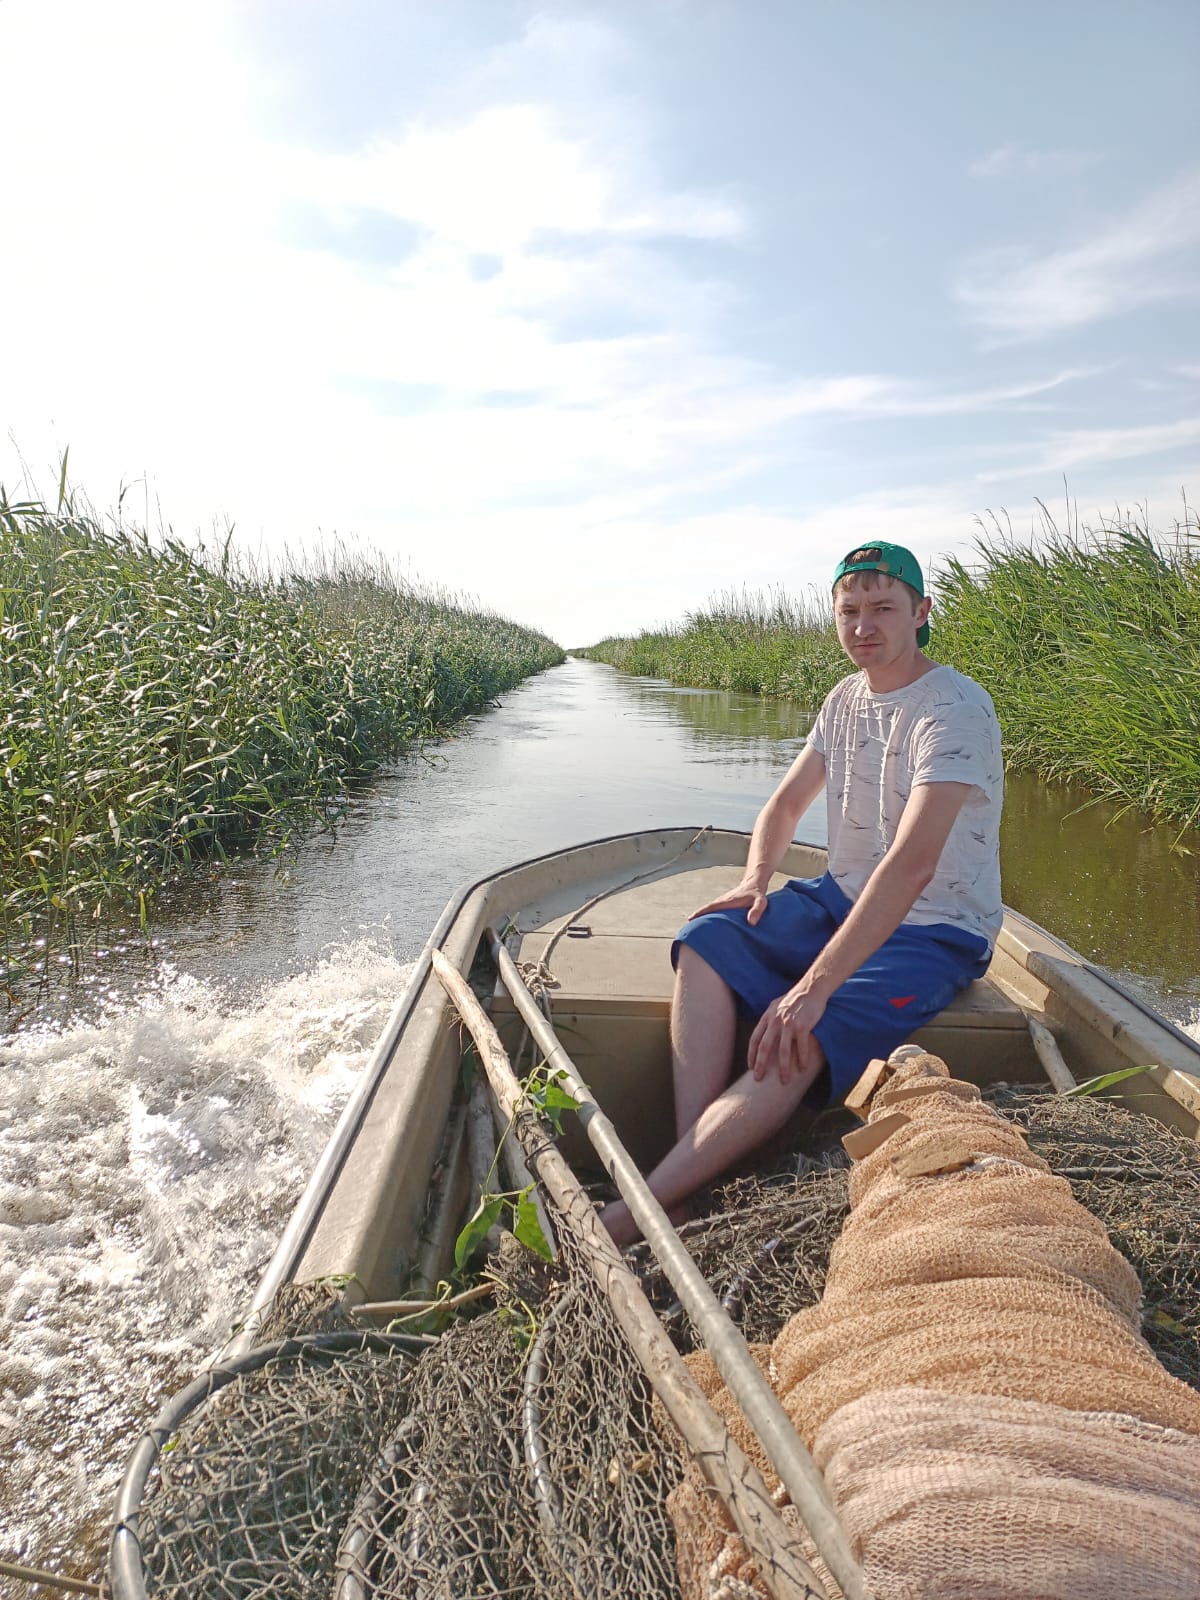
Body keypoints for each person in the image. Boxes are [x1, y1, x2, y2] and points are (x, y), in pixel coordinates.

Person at [599, 541, 1003, 1247]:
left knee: (805, 1030)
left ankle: (637, 1211)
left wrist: (814, 987)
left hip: (936, 927)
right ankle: (685, 1178)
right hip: (842, 897)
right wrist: (755, 879)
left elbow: (911, 866)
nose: (864, 626)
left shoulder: (955, 710)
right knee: (706, 940)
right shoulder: (844, 698)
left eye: (883, 608)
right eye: (850, 611)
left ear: (921, 613)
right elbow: (784, 806)